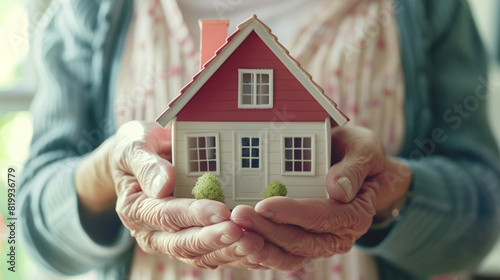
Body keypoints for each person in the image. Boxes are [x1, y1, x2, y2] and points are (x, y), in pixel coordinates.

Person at [19, 0, 500, 279]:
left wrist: (387, 188)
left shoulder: (427, 8)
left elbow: (483, 215)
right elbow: (31, 224)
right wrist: (106, 174)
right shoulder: (89, 9)